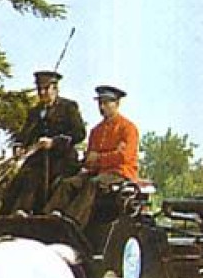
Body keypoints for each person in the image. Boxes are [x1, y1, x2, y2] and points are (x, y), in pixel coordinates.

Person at [47, 84, 140, 230]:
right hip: (97, 172)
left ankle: (73, 222)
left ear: (117, 103)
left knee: (93, 184)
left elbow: (124, 157)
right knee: (68, 183)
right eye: (100, 103)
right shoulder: (96, 131)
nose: (102, 107)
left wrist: (98, 158)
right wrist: (86, 163)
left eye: (106, 103)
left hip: (120, 173)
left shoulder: (128, 128)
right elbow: (91, 158)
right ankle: (49, 217)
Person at [0, 69, 87, 216]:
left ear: (55, 89)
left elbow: (79, 134)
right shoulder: (35, 112)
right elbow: (25, 134)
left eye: (46, 89)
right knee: (22, 178)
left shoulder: (69, 107)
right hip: (39, 158)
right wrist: (19, 146)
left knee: (46, 179)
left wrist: (54, 142)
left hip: (62, 159)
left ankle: (43, 212)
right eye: (40, 89)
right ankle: (12, 214)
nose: (43, 93)